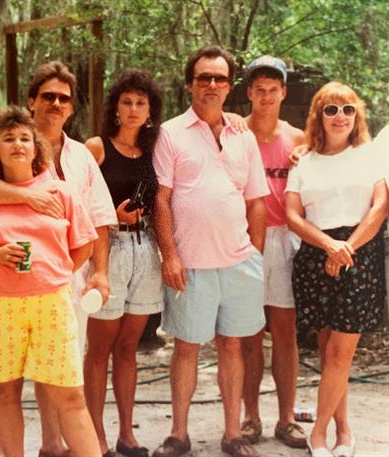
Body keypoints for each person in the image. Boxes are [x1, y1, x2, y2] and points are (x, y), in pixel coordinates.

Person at [0, 61, 116, 457]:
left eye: (64, 98)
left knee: (64, 376)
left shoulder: (81, 157)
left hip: (62, 282)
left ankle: (57, 446)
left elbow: (98, 219)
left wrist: (96, 271)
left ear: (72, 107)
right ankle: (36, 447)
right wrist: (29, 196)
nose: (56, 103)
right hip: (7, 292)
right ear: (32, 101)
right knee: (9, 385)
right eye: (48, 96)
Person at [152, 45, 269, 457]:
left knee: (232, 346)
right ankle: (178, 435)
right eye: (204, 77)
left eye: (220, 78)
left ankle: (232, 433)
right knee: (186, 347)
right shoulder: (170, 133)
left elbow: (256, 201)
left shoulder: (243, 135)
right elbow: (161, 199)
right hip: (191, 264)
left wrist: (255, 253)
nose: (212, 85)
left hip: (239, 263)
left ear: (229, 86)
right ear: (190, 84)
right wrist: (170, 255)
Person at [285, 82, 388, 457]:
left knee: (341, 354)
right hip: (317, 257)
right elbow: (292, 215)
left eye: (347, 109)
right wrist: (329, 246)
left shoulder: (370, 155)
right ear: (319, 116)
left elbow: (380, 207)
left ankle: (317, 435)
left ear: (357, 114)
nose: (340, 116)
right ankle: (344, 431)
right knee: (329, 352)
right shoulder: (304, 161)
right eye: (331, 109)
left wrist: (346, 248)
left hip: (359, 256)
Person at [83, 69, 164, 457]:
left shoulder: (154, 150)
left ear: (150, 111)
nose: (133, 109)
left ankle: (127, 434)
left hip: (145, 248)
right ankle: (95, 437)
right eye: (126, 102)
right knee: (100, 349)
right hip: (108, 249)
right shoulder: (97, 148)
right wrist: (111, 217)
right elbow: (76, 203)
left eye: (140, 103)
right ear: (115, 107)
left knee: (130, 347)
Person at [239, 56, 307, 449]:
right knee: (248, 332)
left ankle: (287, 418)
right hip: (245, 239)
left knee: (284, 331)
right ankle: (250, 417)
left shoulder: (298, 139)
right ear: (249, 92)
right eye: (259, 89)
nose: (266, 97)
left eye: (273, 90)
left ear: (283, 93)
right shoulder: (234, 133)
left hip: (285, 238)